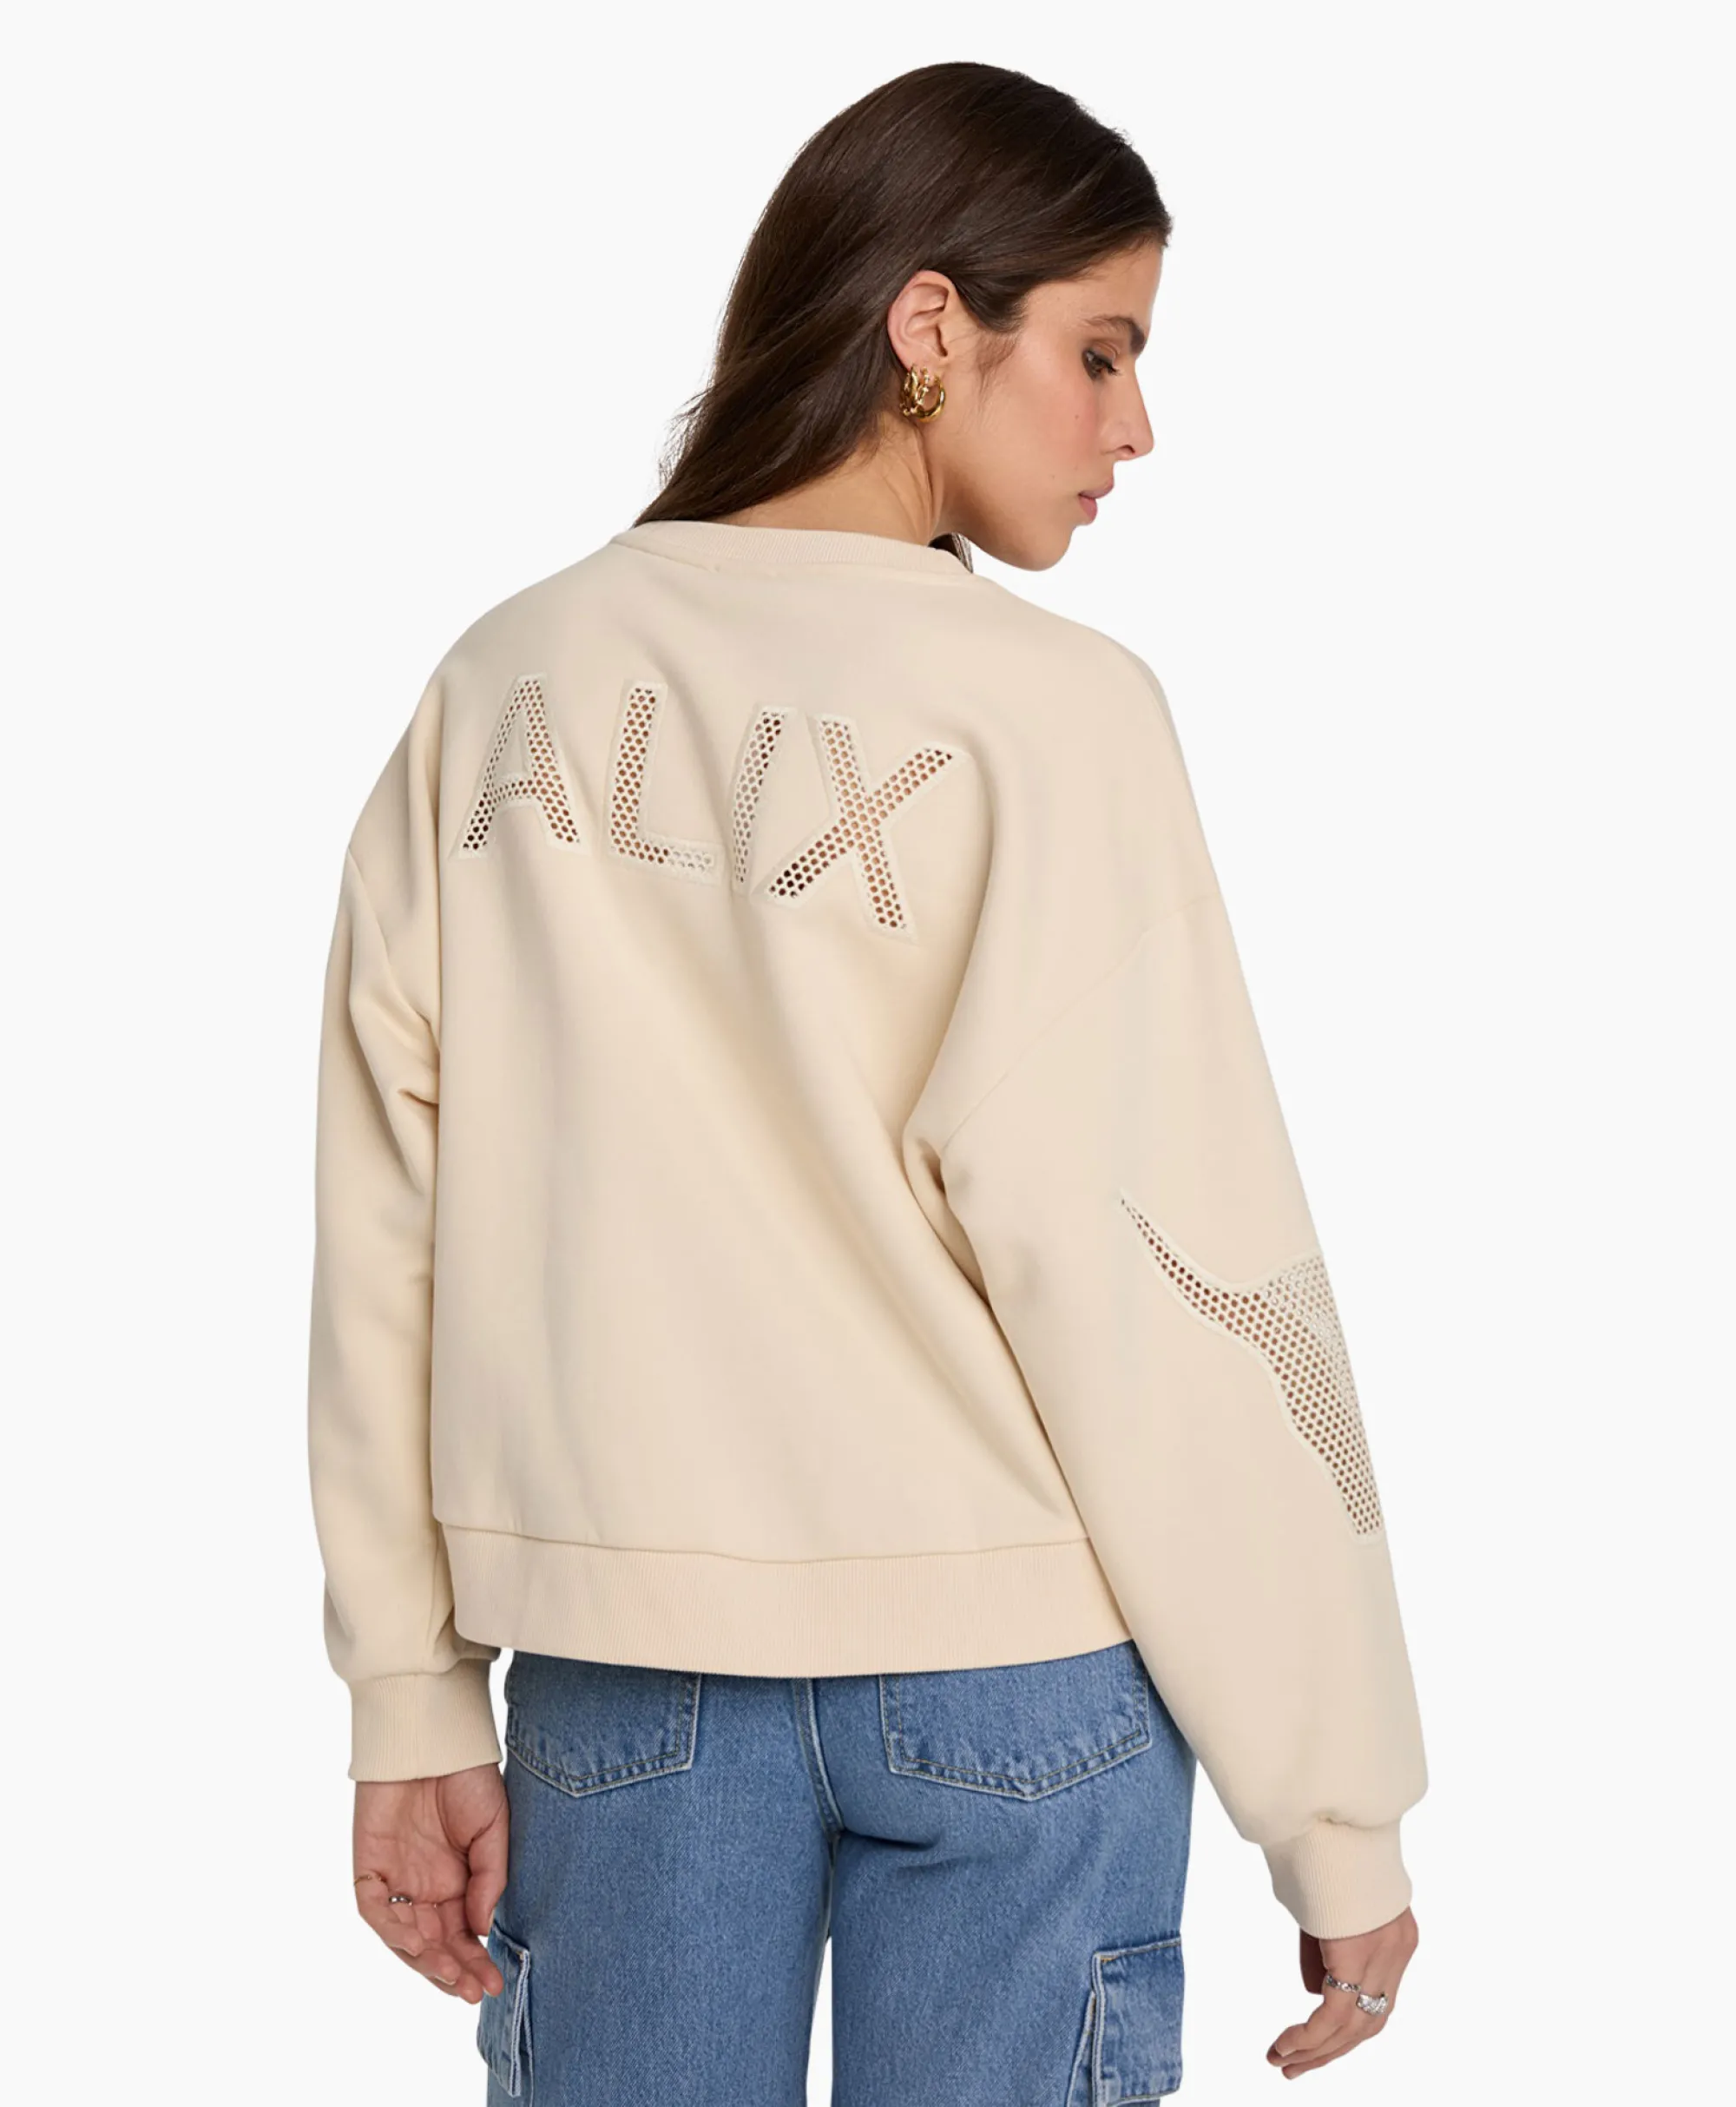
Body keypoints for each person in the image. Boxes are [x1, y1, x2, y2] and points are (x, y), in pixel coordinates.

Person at [307, 60, 1426, 2104]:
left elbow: (392, 1226)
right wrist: (1334, 1804)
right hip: (1017, 1676)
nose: (1135, 426)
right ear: (930, 325)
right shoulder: (1054, 716)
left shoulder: (509, 679)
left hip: (626, 1678)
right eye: (1098, 351)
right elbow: (1176, 1271)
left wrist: (409, 1693)